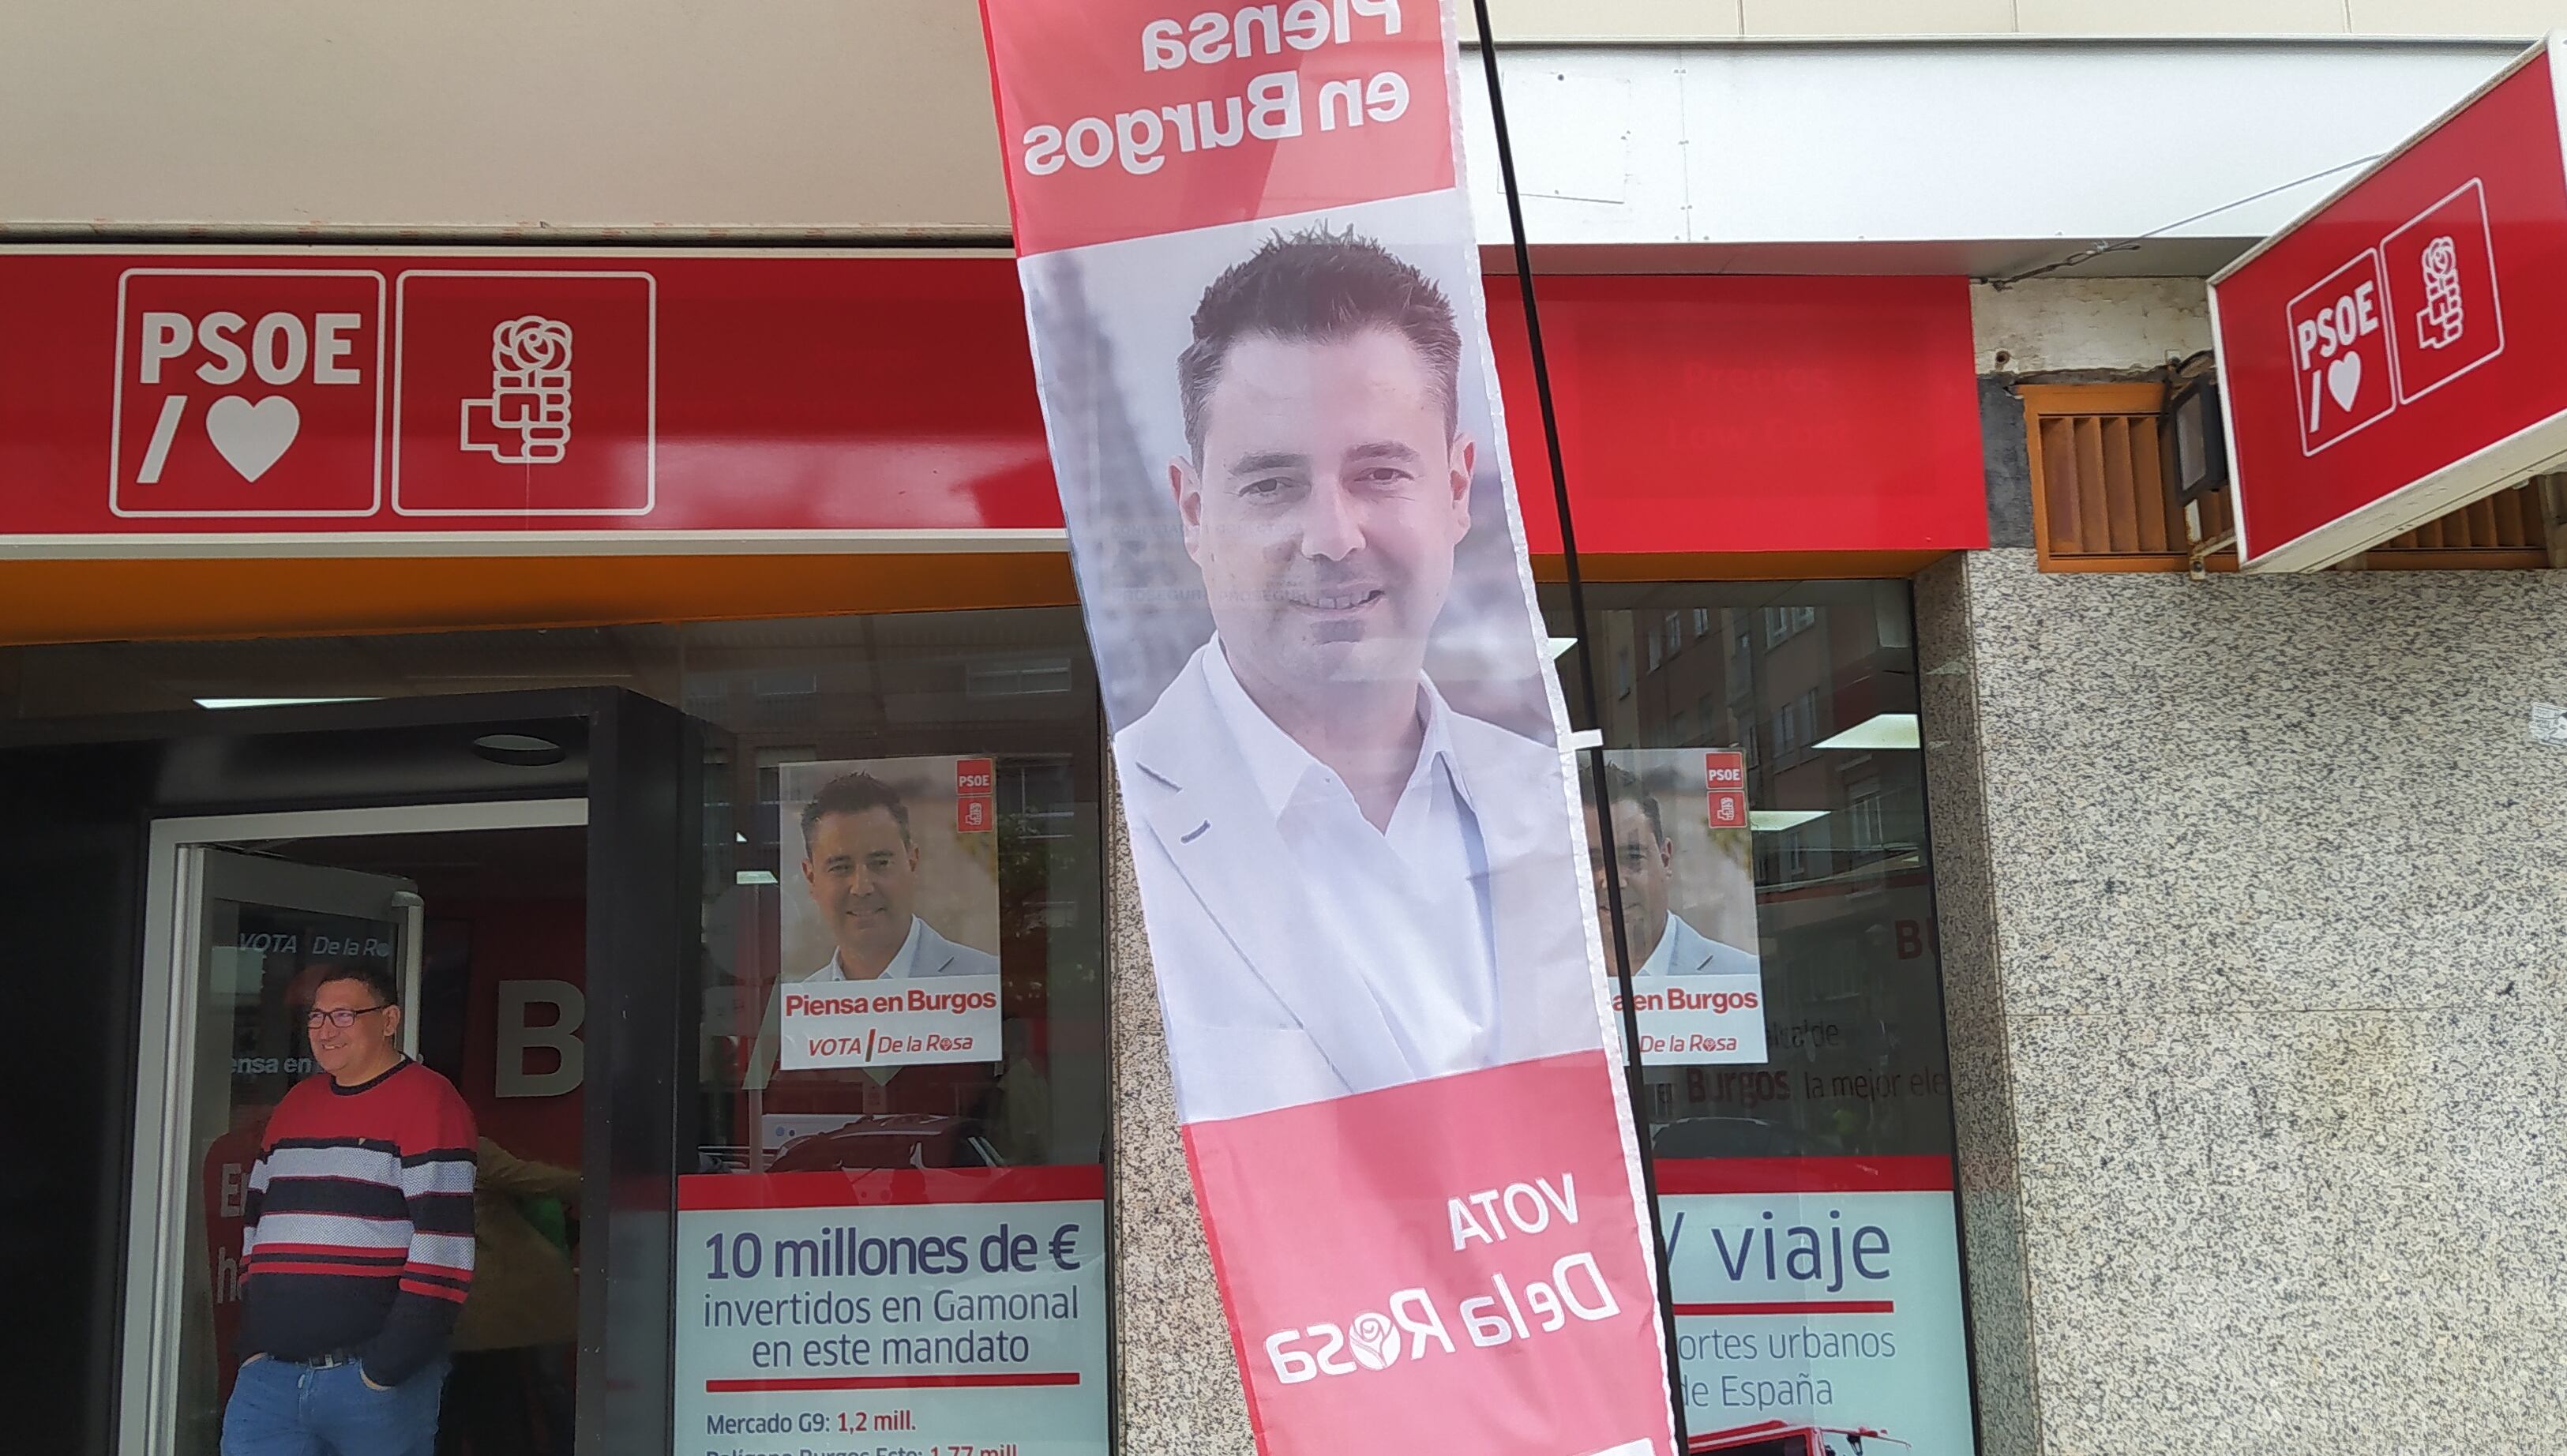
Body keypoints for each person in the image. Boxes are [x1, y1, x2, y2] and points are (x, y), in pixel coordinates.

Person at [1116, 227, 1596, 1123]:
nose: (1332, 535)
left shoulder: (1552, 804)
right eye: (1270, 483)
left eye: (1378, 471)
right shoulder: (1120, 811)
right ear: (1192, 509)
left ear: (1456, 489)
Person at [223, 962, 476, 1456]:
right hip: (271, 1378)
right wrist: (253, 1347)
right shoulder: (296, 1103)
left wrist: (384, 1370)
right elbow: (255, 1226)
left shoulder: (430, 1101)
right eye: (316, 1018)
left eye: (343, 1015)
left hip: (369, 1383)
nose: (325, 1030)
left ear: (389, 1020)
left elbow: (442, 1251)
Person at [745, 771, 1000, 1090]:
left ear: (913, 862)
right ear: (811, 878)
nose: (862, 887)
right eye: (840, 867)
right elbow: (762, 1114)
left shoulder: (984, 981)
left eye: (880, 863)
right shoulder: (788, 1010)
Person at [1589, 766, 1762, 978]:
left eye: (1633, 857)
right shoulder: (1546, 984)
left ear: (1665, 859)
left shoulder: (1742, 975)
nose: (1613, 881)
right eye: (1591, 862)